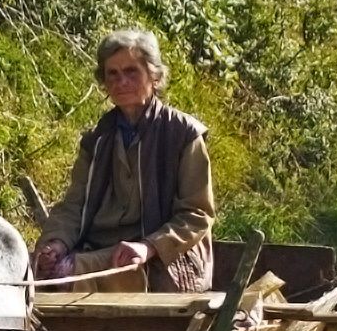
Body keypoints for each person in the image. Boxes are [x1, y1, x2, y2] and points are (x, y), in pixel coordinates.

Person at [33, 29, 215, 293]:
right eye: (113, 74)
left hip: (165, 258)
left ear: (154, 77)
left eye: (132, 72)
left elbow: (197, 214)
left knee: (70, 272)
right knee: (32, 268)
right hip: (98, 248)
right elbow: (74, 206)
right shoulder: (97, 140)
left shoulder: (183, 135)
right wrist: (56, 243)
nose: (122, 82)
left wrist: (148, 246)